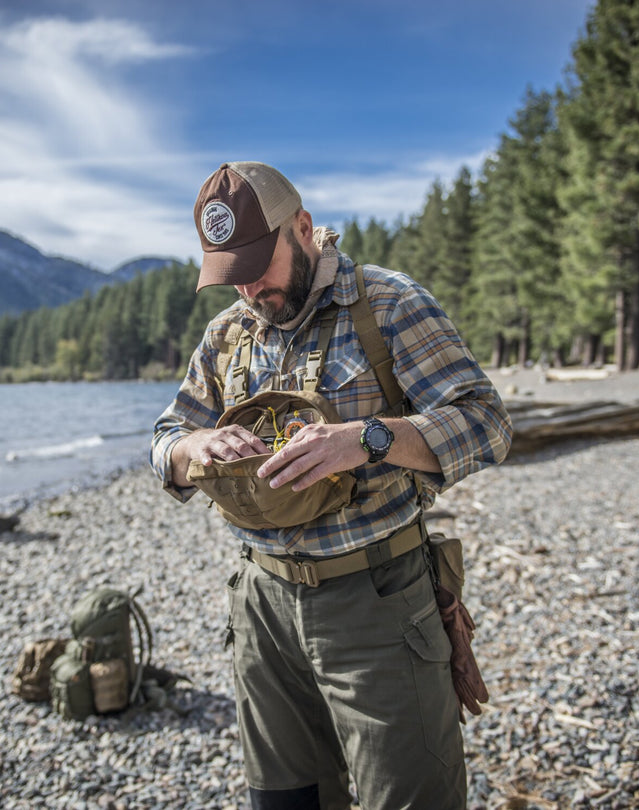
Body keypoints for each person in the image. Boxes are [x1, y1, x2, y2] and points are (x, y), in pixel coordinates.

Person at [151, 161, 512, 810]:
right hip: (261, 608)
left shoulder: (389, 304)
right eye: (232, 274)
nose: (250, 289)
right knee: (287, 800)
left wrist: (368, 438)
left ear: (303, 228)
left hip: (377, 601)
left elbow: (487, 424)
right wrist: (191, 447)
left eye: (258, 265)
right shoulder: (226, 334)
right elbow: (165, 438)